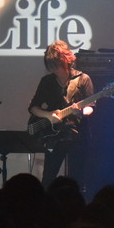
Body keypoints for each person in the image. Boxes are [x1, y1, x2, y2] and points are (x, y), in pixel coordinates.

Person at [27, 40, 95, 188]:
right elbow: (33, 107)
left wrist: (81, 112)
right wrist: (48, 115)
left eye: (56, 65)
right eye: (50, 65)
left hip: (78, 134)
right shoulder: (47, 81)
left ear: (65, 60)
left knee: (77, 179)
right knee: (48, 177)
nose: (54, 69)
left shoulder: (83, 79)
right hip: (54, 136)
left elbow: (90, 107)